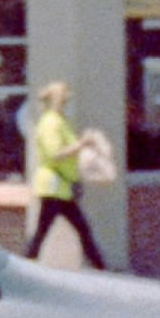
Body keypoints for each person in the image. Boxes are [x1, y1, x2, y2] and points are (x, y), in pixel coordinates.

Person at [21, 81, 113, 265]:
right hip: (54, 185)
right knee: (72, 228)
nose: (66, 104)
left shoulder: (60, 121)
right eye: (64, 101)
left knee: (53, 229)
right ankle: (100, 266)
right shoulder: (50, 123)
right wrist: (82, 143)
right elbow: (56, 154)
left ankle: (29, 260)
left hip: (62, 186)